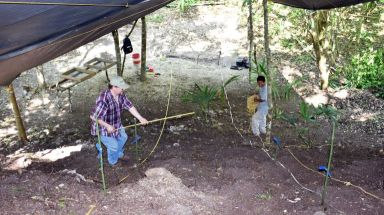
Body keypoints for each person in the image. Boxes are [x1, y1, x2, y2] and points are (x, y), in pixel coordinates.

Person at [90, 75, 148, 166]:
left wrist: (140, 118)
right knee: (113, 146)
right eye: (121, 87)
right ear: (114, 87)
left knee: (123, 137)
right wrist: (108, 126)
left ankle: (118, 154)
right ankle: (113, 161)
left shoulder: (120, 95)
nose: (123, 89)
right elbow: (94, 117)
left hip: (116, 124)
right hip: (102, 127)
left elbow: (129, 106)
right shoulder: (103, 99)